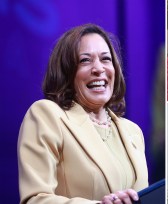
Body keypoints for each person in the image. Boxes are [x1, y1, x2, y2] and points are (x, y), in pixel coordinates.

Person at [17, 24, 148, 204]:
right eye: (85, 60)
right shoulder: (47, 115)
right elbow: (35, 199)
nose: (99, 69)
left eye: (106, 59)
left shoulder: (133, 131)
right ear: (66, 72)